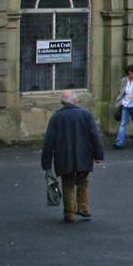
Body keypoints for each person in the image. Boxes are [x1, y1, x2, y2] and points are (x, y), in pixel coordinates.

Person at [40, 90, 104, 223]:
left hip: (64, 157)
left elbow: (49, 141)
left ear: (62, 102)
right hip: (84, 155)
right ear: (75, 100)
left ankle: (70, 213)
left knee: (67, 183)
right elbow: (94, 136)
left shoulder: (56, 117)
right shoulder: (86, 115)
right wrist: (98, 155)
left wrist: (46, 162)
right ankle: (84, 207)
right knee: (83, 181)